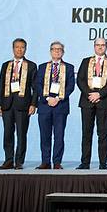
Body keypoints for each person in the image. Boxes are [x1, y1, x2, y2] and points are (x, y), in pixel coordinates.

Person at [76, 38, 107, 170]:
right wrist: (91, 94)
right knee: (86, 133)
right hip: (87, 101)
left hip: (103, 101)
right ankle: (85, 162)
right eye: (98, 45)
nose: (100, 47)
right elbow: (80, 80)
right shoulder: (86, 61)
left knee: (103, 133)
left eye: (103, 45)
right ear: (94, 46)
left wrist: (99, 94)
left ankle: (103, 162)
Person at [0, 38, 37, 170]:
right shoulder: (6, 65)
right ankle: (8, 160)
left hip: (23, 105)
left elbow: (35, 88)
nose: (19, 49)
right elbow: (0, 84)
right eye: (17, 47)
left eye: (22, 47)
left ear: (26, 49)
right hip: (7, 104)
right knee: (7, 133)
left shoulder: (31, 65)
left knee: (21, 134)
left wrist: (33, 104)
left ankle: (19, 161)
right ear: (13, 49)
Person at [35, 41, 75, 170]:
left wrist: (58, 98)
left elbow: (71, 86)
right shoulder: (42, 67)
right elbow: (37, 85)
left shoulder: (69, 67)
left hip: (61, 105)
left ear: (63, 52)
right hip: (45, 106)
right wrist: (47, 98)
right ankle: (45, 161)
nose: (57, 51)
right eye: (54, 49)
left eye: (59, 49)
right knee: (44, 135)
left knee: (59, 135)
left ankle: (57, 161)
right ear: (50, 51)